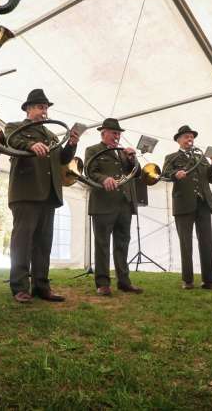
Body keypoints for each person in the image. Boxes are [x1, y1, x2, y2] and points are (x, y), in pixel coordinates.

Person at [5, 89, 79, 303]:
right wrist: (29, 144)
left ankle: (41, 285)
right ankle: (19, 287)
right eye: (40, 107)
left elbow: (62, 159)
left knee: (43, 242)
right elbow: (10, 142)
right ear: (28, 108)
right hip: (26, 192)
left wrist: (72, 144)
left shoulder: (51, 135)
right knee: (23, 241)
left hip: (48, 193)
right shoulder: (15, 127)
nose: (44, 111)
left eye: (46, 107)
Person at [84, 118, 143, 296]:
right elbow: (89, 171)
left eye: (118, 133)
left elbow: (137, 174)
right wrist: (104, 179)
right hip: (103, 204)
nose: (117, 136)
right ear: (103, 133)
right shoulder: (92, 150)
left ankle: (124, 282)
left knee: (122, 244)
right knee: (102, 244)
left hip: (124, 204)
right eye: (113, 133)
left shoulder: (124, 153)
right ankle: (103, 283)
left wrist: (133, 159)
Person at [162, 125, 212, 291]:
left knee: (206, 243)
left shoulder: (201, 157)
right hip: (183, 204)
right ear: (178, 140)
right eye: (186, 137)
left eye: (191, 137)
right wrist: (175, 174)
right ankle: (187, 280)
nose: (190, 139)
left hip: (203, 203)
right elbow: (164, 174)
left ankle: (209, 281)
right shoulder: (172, 157)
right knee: (186, 243)